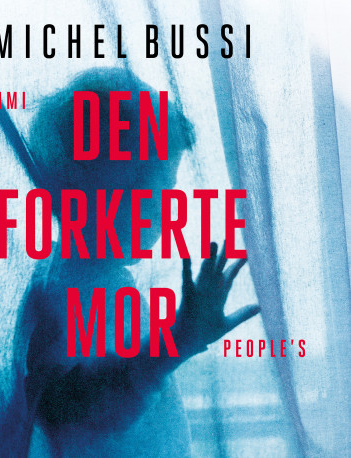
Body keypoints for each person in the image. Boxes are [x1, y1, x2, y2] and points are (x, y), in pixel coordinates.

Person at [23, 67, 259, 457]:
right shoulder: (62, 287)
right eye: (155, 184)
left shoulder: (101, 280)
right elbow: (69, 408)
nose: (168, 206)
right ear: (86, 184)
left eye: (170, 188)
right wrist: (177, 341)